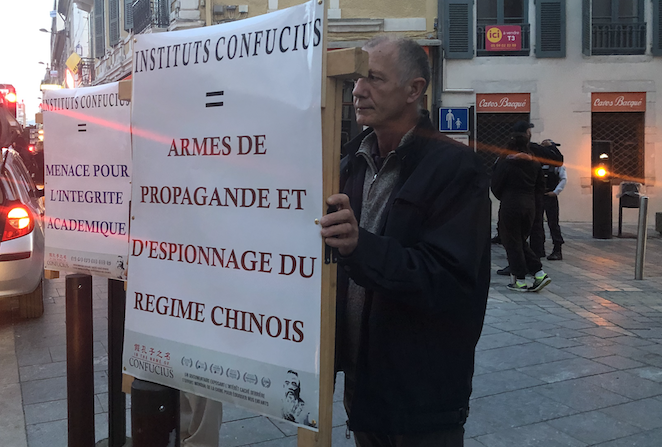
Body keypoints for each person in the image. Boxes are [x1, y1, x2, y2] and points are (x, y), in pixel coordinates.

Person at [319, 35, 490, 446]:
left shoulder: (456, 167)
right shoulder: (347, 164)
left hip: (422, 398)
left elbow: (449, 280)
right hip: (362, 387)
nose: (358, 90)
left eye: (374, 79)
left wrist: (360, 247)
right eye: (359, 79)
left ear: (415, 90)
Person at [495, 121, 563, 275]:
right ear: (527, 134)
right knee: (529, 232)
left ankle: (521, 268)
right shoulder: (534, 155)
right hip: (530, 200)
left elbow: (496, 181)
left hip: (510, 201)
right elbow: (557, 160)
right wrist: (551, 146)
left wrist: (504, 196)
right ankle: (532, 266)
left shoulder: (505, 156)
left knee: (514, 237)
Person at [491, 132, 551, 292]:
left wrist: (505, 196)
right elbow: (540, 186)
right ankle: (539, 273)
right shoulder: (535, 163)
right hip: (529, 205)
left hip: (511, 204)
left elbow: (496, 185)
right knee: (520, 241)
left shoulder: (505, 163)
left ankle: (520, 280)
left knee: (511, 242)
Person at [539, 139, 566, 260]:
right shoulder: (538, 163)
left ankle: (557, 249)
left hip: (550, 196)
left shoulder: (556, 165)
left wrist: (555, 192)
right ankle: (539, 249)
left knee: (553, 223)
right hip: (538, 196)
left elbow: (563, 179)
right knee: (537, 224)